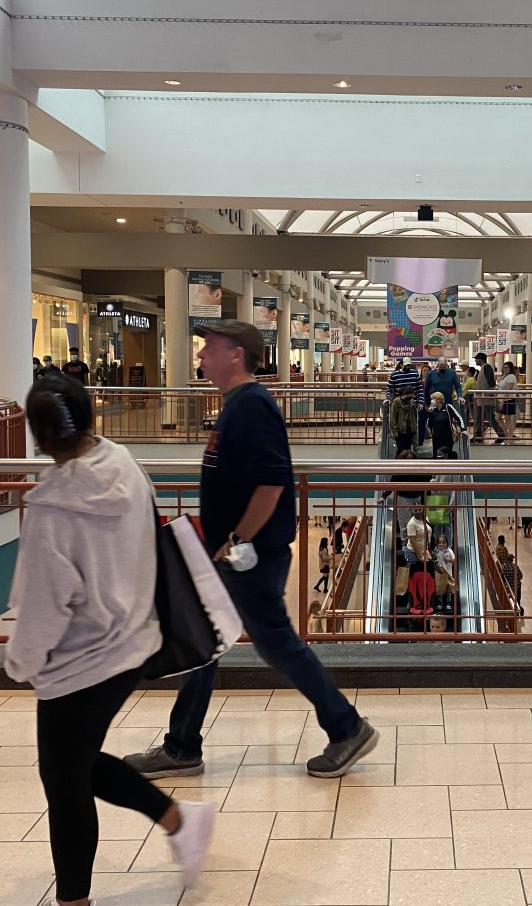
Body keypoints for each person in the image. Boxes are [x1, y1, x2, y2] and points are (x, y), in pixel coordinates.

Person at [126, 320, 376, 780]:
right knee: (205, 640)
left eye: (209, 347)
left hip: (249, 557)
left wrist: (237, 540)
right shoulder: (236, 405)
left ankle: (347, 727)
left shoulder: (252, 406)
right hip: (234, 553)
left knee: (273, 643)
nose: (200, 355)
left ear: (235, 354)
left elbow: (272, 483)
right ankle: (182, 745)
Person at [5, 375, 213, 902]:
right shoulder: (123, 463)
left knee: (64, 780)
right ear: (91, 417)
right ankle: (178, 820)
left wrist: (20, 662)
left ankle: (76, 897)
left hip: (78, 662)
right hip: (133, 641)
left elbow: (44, 603)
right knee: (72, 765)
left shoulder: (53, 507)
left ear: (38, 436)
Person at [472, 353, 505, 443]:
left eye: (476, 359)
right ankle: (478, 435)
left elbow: (491, 382)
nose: (475, 360)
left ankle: (501, 434)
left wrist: (490, 395)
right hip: (481, 398)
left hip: (486, 398)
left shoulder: (487, 367)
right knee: (479, 418)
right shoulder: (483, 368)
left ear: (480, 359)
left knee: (490, 417)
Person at [427, 391, 458, 458]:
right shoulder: (432, 410)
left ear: (439, 400)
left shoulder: (448, 407)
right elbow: (430, 423)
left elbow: (458, 417)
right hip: (436, 437)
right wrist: (430, 411)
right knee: (436, 455)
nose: (431, 401)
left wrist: (463, 429)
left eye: (433, 399)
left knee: (447, 455)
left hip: (447, 437)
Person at [389, 386, 416, 455]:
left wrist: (415, 428)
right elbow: (393, 417)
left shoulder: (412, 401)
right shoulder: (396, 402)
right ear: (404, 394)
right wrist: (394, 431)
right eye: (410, 395)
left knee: (408, 449)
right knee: (400, 450)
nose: (411, 397)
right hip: (400, 430)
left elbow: (415, 415)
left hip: (410, 429)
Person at [498, 361, 519, 440]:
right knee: (497, 417)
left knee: (508, 419)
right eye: (504, 367)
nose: (504, 369)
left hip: (508, 400)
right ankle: (507, 434)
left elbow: (508, 390)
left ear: (510, 368)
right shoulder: (503, 377)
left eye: (506, 367)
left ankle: (510, 436)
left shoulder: (511, 376)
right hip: (501, 399)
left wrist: (503, 400)